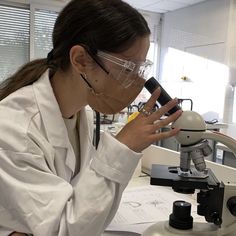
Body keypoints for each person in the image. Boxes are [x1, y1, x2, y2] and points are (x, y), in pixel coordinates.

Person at [0, 0, 182, 235]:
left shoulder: (80, 112)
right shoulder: (14, 130)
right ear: (80, 60)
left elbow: (78, 197)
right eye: (128, 68)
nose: (136, 83)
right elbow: (62, 229)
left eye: (140, 69)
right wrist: (122, 147)